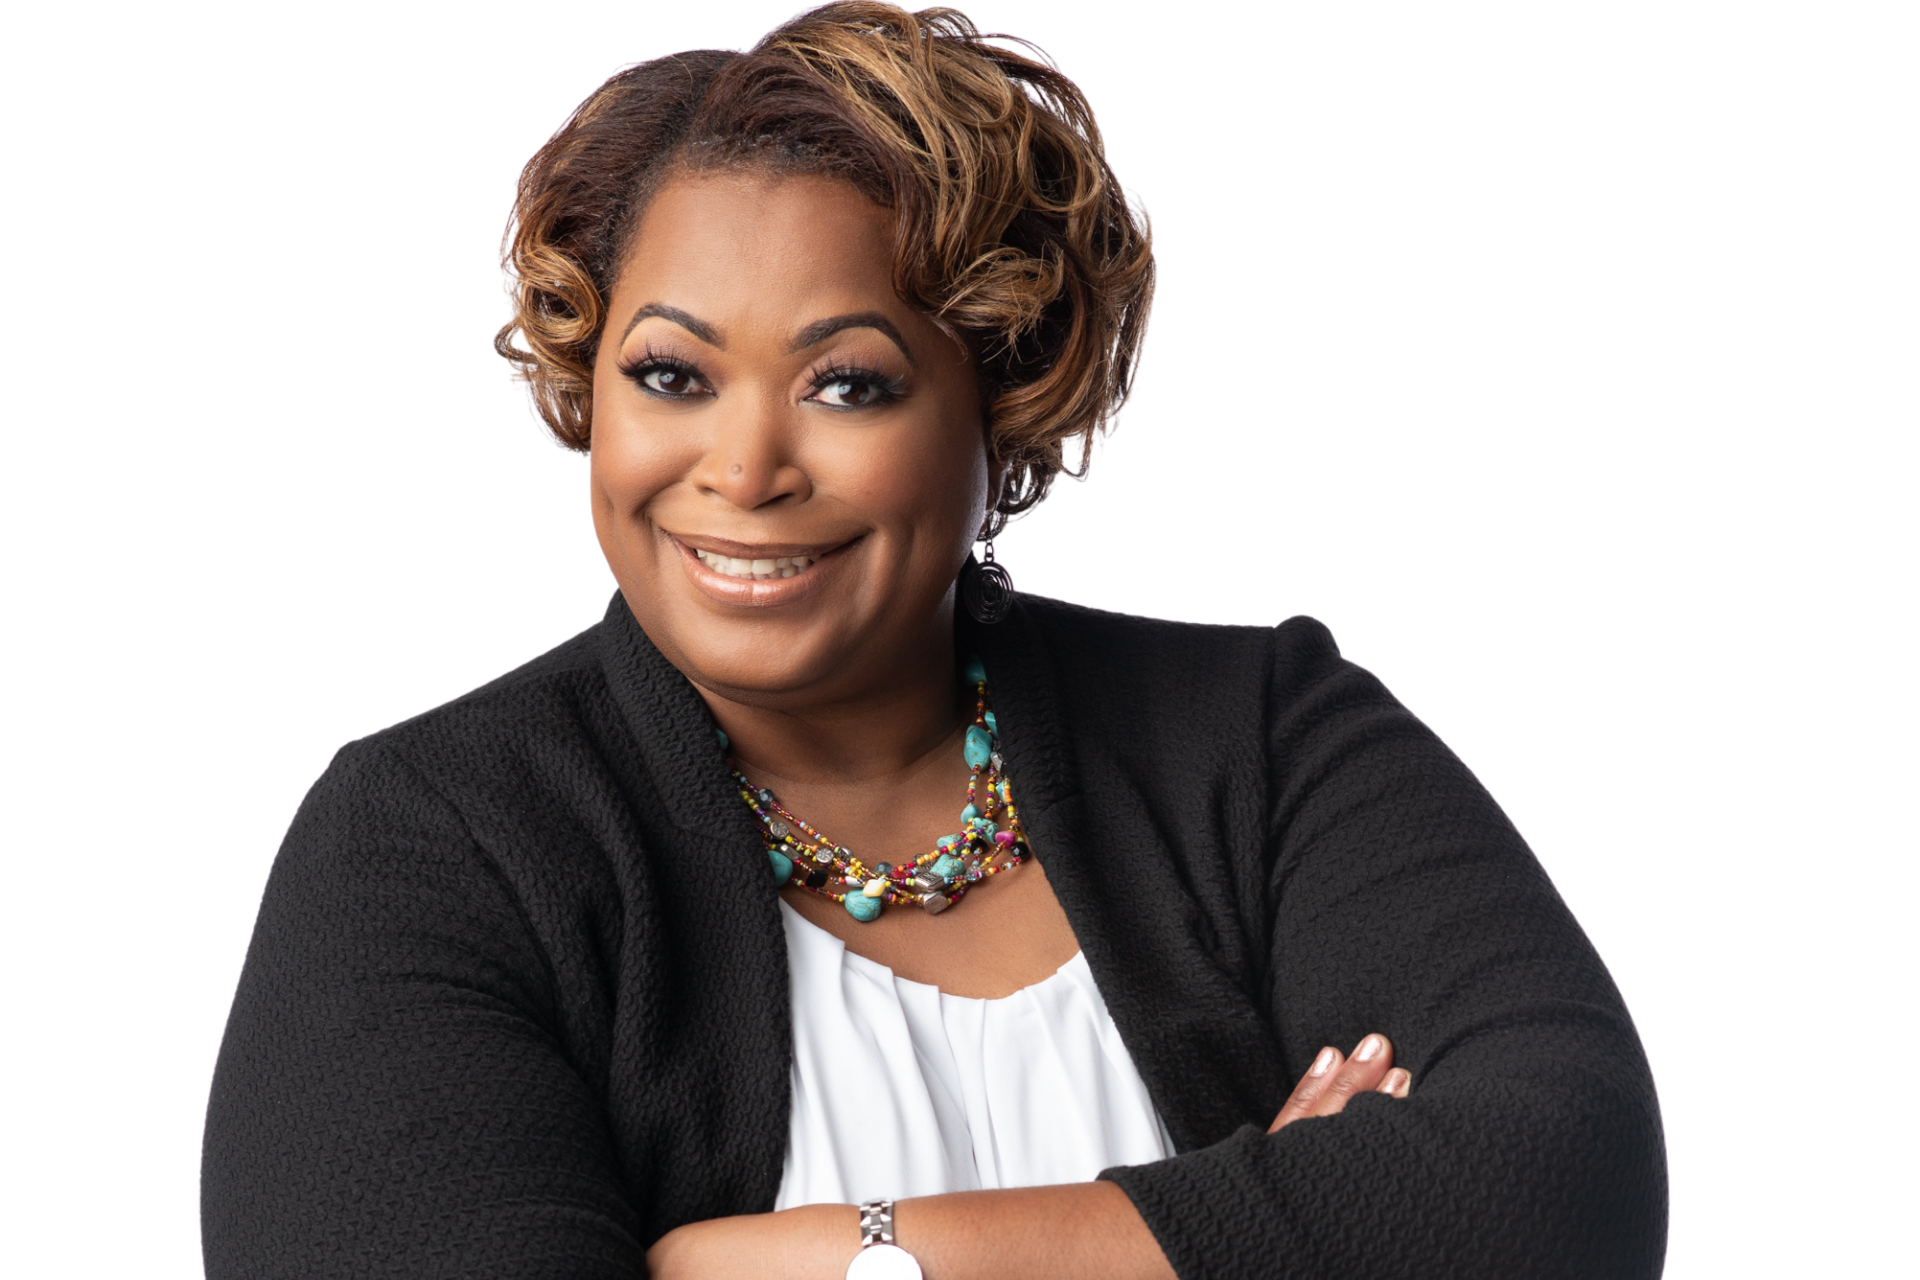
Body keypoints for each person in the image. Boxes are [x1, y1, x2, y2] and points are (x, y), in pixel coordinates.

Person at [200, 5, 1667, 1277]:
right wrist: (1271, 1232)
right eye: (670, 374)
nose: (746, 466)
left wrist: (791, 1262)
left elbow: (1561, 1186)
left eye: (848, 385)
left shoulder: (1264, 737)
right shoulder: (429, 848)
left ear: (1000, 399)